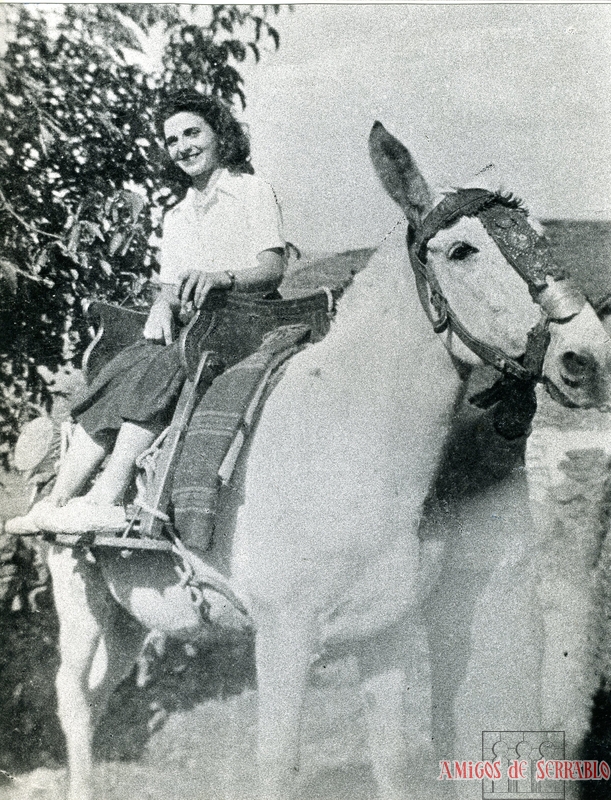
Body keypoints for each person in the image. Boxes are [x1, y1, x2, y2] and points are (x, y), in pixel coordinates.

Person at [7, 88, 285, 536]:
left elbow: (272, 269)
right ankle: (58, 500)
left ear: (220, 135)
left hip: (250, 317)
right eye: (172, 140)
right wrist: (162, 302)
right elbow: (170, 287)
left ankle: (108, 497)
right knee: (124, 365)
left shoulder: (251, 191)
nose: (183, 147)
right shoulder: (177, 215)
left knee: (166, 363)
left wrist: (222, 278)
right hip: (198, 323)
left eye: (192, 133)